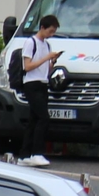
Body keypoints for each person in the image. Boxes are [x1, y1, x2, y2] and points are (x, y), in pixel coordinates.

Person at [9, 15, 61, 167]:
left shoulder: (47, 45)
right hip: (31, 83)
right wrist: (46, 58)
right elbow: (28, 66)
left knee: (34, 120)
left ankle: (25, 155)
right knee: (43, 117)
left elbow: (46, 69)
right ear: (43, 27)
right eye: (50, 31)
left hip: (43, 82)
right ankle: (37, 153)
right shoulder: (30, 43)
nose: (51, 34)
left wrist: (52, 61)